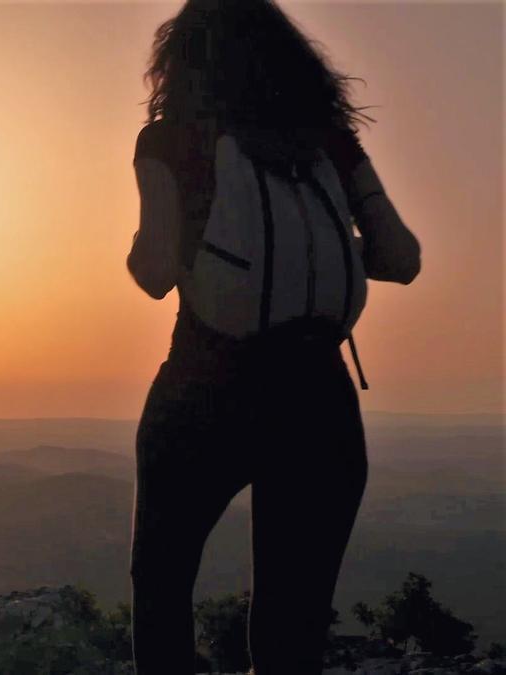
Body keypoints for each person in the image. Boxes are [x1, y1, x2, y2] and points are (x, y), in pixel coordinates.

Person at [125, 1, 420, 672]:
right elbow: (401, 257)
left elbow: (154, 271)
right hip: (320, 394)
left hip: (206, 385)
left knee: (163, 584)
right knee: (295, 613)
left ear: (182, 63)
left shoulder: (172, 140)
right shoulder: (331, 143)